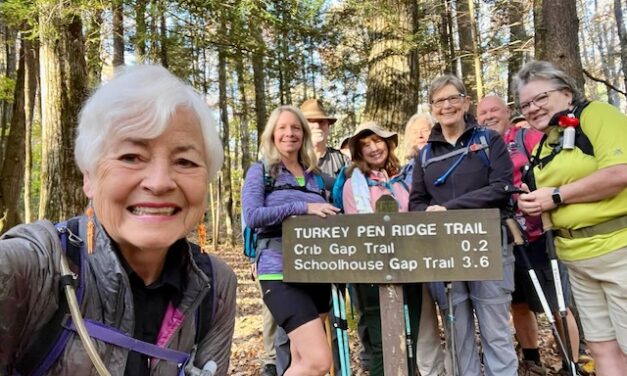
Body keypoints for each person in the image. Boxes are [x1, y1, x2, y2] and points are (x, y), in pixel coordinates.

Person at [0, 65, 237, 375]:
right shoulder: (28, 270)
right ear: (89, 175)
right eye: (131, 157)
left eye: (185, 161)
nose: (160, 182)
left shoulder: (214, 286)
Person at [514, 60, 627, 376]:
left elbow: (620, 173)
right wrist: (533, 200)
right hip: (577, 258)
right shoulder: (547, 141)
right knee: (602, 347)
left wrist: (557, 195)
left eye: (541, 98)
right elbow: (548, 192)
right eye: (525, 104)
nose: (533, 108)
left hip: (618, 249)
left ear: (565, 92)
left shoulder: (597, 115)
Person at [409, 74, 517, 376]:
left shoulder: (488, 141)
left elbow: (502, 187)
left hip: (489, 248)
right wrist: (429, 212)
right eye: (439, 101)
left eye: (453, 98)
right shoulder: (425, 155)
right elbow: (416, 202)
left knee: (495, 330)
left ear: (465, 102)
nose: (447, 106)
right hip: (444, 255)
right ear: (432, 108)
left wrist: (449, 208)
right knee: (458, 336)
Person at [477, 94, 581, 375]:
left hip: (538, 235)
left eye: (494, 110)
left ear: (507, 112)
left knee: (558, 303)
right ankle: (532, 359)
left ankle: (570, 363)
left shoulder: (527, 138)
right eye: (483, 112)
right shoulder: (477, 148)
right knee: (519, 304)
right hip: (500, 239)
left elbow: (555, 170)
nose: (489, 116)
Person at [242, 105, 339, 376]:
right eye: (282, 127)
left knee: (300, 362)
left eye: (295, 128)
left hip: (317, 272)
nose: (289, 133)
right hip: (279, 271)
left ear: (304, 134)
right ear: (272, 134)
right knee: (319, 361)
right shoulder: (261, 171)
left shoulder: (316, 176)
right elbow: (253, 216)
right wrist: (302, 208)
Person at [274, 99, 351, 375]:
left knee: (335, 323)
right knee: (289, 334)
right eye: (312, 121)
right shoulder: (273, 167)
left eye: (322, 122)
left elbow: (348, 196)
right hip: (285, 258)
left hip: (331, 255)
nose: (318, 126)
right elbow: (255, 215)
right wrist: (252, 254)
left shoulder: (341, 160)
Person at [341, 121, 422, 376]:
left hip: (410, 267)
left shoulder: (403, 179)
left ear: (387, 144)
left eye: (377, 141)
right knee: (380, 344)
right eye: (366, 145)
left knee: (411, 338)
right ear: (358, 152)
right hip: (372, 273)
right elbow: (358, 230)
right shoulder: (353, 185)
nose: (374, 148)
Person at [401, 113, 448, 376]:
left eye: (426, 129)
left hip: (443, 250)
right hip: (415, 254)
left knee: (451, 314)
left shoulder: (445, 161)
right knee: (424, 320)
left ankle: (455, 368)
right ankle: (432, 371)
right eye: (415, 132)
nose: (421, 135)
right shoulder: (400, 171)